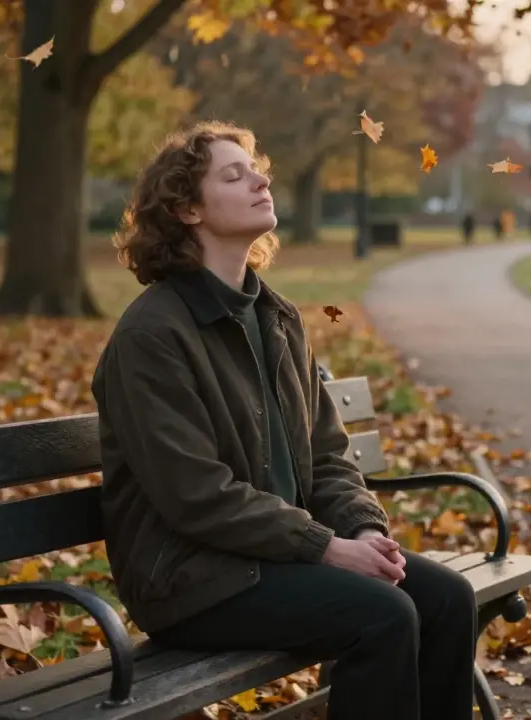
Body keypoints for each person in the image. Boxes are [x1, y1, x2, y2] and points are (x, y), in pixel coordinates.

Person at [91, 120, 478, 720]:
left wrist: (362, 529)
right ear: (188, 209)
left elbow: (326, 455)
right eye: (234, 173)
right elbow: (195, 495)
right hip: (192, 580)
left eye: (256, 167)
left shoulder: (276, 317)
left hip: (273, 559)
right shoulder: (153, 337)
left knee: (448, 598)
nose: (261, 177)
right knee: (384, 614)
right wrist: (324, 548)